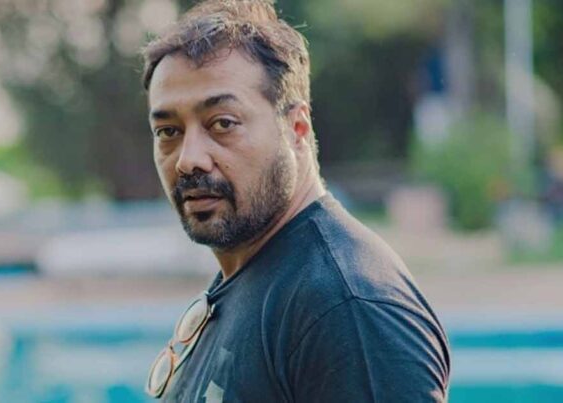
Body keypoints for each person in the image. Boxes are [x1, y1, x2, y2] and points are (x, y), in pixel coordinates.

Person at [141, 0, 451, 401]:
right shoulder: (256, 275)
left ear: (297, 128)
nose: (188, 160)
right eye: (168, 131)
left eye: (222, 124)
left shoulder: (345, 308)